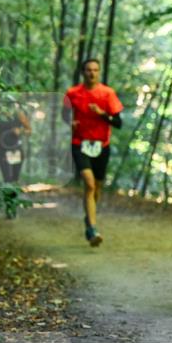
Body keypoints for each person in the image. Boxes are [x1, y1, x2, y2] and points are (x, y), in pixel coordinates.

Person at [63, 58, 123, 247]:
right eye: (89, 70)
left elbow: (118, 123)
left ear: (99, 72)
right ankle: (92, 228)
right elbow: (63, 115)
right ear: (83, 72)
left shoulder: (107, 93)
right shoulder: (72, 93)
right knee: (89, 184)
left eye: (96, 70)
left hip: (101, 146)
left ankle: (89, 217)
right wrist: (69, 123)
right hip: (79, 143)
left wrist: (101, 113)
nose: (92, 73)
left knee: (96, 187)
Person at [0, 104, 31, 218]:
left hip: (16, 151)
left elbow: (29, 130)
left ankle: (13, 205)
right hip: (2, 151)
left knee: (14, 179)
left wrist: (21, 131)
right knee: (7, 179)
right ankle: (10, 208)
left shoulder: (18, 114)